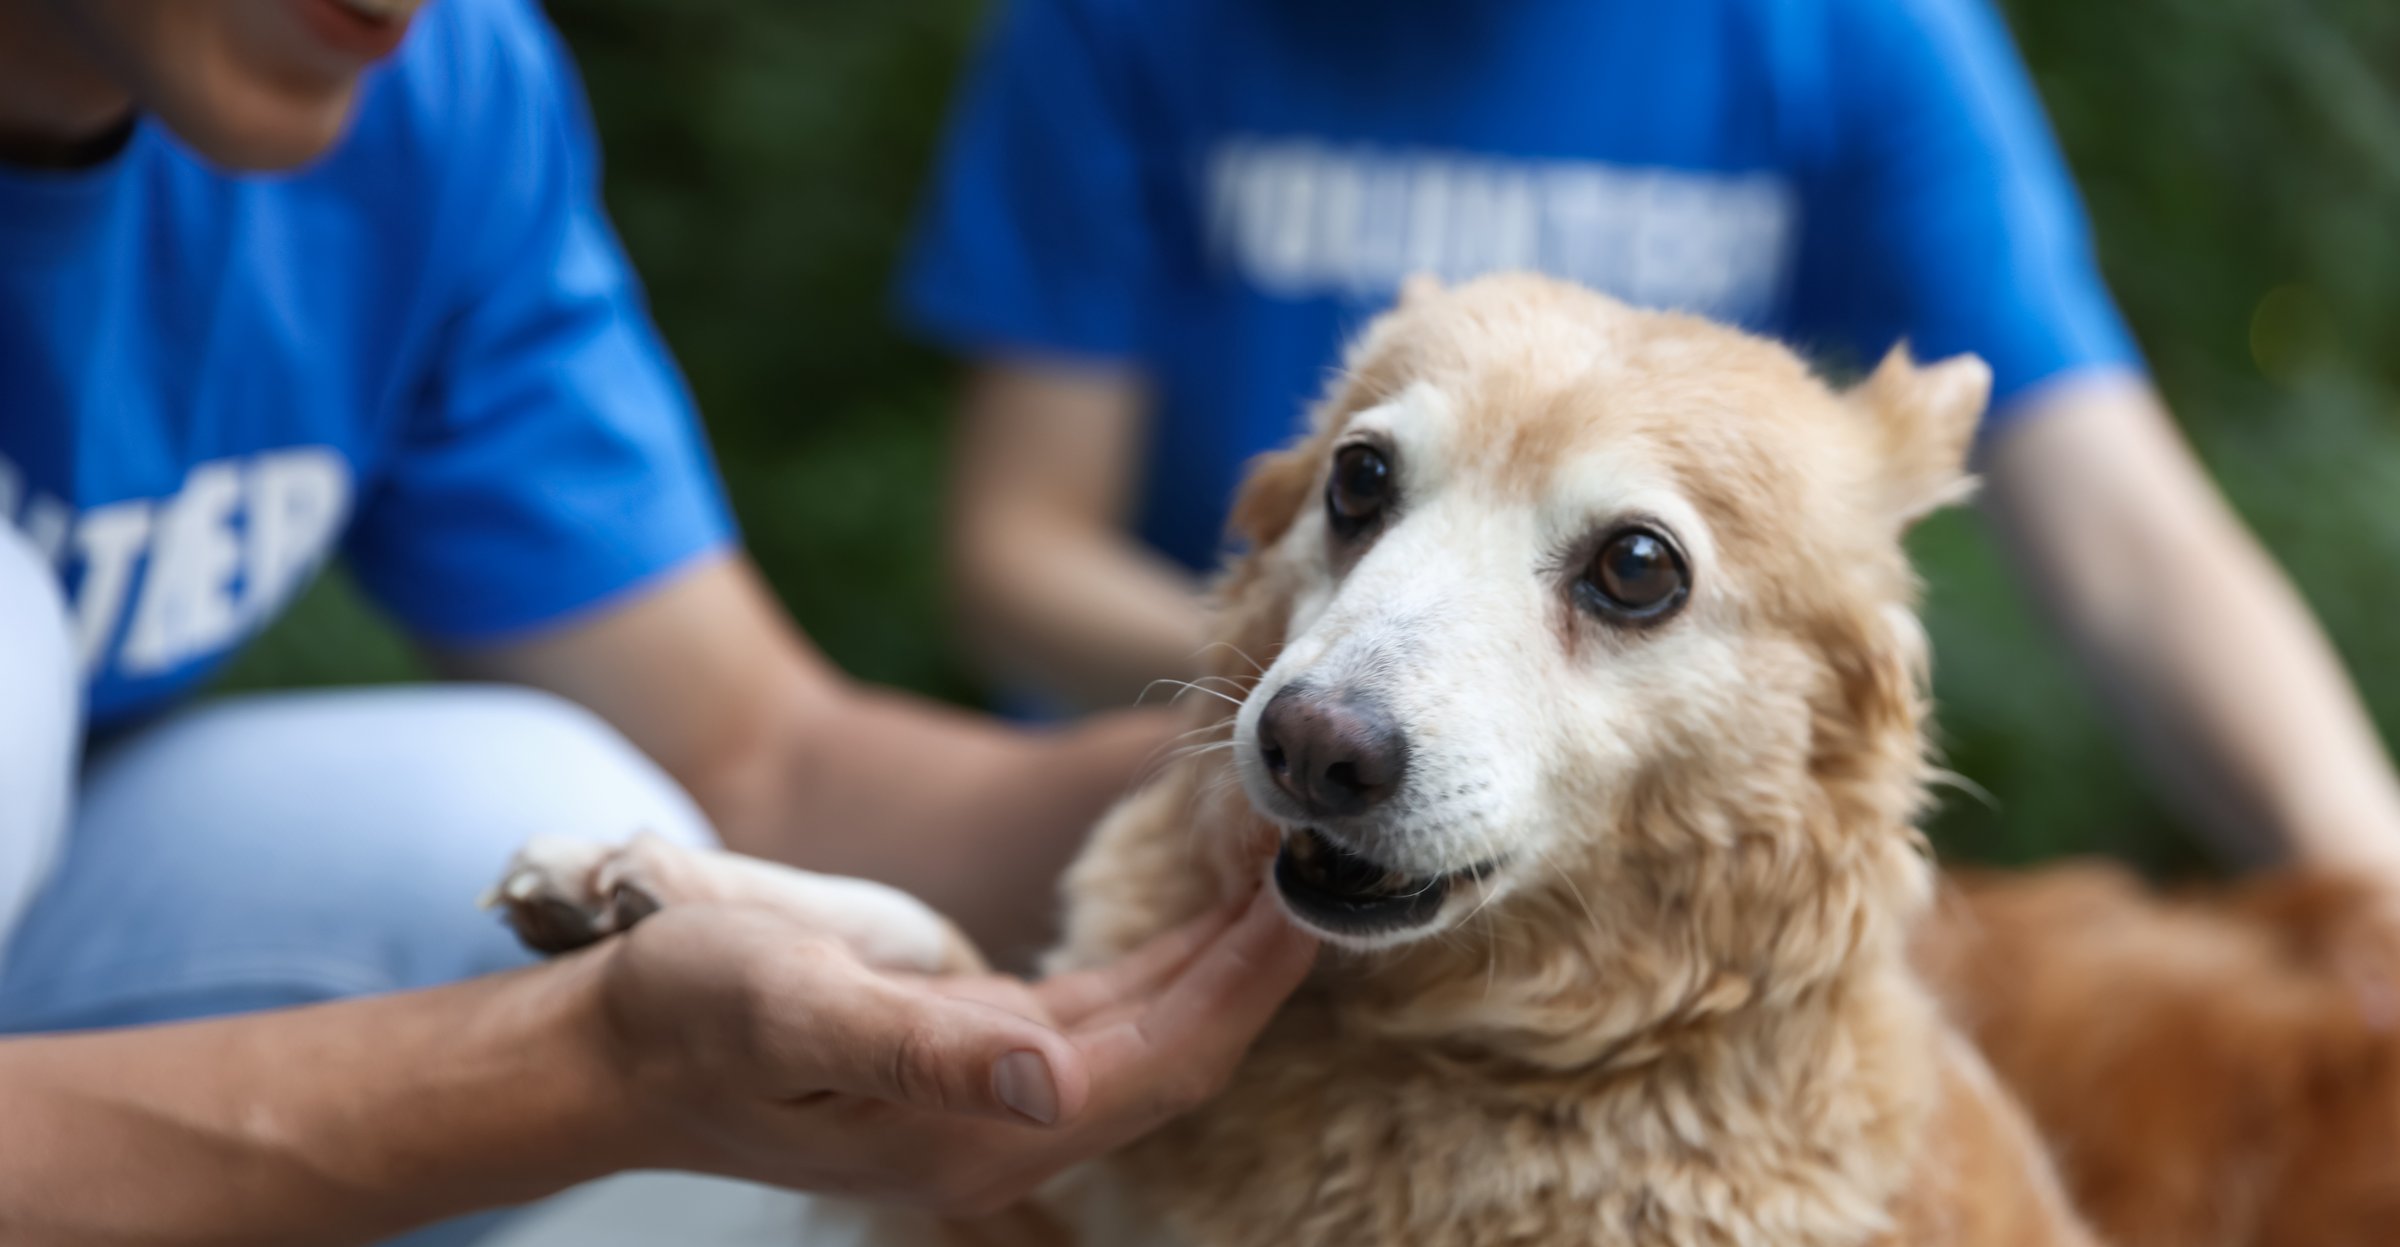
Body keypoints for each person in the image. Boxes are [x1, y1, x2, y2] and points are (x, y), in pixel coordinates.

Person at [0, 0, 1317, 1247]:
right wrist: (586, 1070)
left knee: (519, 821)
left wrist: (1265, 778)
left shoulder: (428, 93)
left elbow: (754, 757)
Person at [900, 0, 2400, 891]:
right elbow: (1011, 550)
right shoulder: (1124, 25)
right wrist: (1336, 704)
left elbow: (2123, 530)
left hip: (1614, 887)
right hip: (1144, 816)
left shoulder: (1844, 31)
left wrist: (2362, 873)